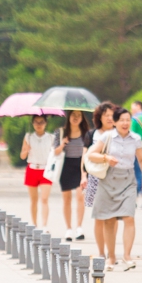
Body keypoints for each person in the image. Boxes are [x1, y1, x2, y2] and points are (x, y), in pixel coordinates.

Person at [86, 107, 140, 269]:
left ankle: (127, 256)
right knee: (108, 220)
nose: (125, 123)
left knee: (129, 217)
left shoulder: (136, 138)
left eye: (128, 120)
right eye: (121, 120)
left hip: (128, 180)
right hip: (109, 180)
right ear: (115, 122)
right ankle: (111, 257)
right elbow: (91, 154)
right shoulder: (107, 136)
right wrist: (106, 157)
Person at [83, 102, 117, 247]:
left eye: (112, 115)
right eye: (106, 115)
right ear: (99, 117)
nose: (110, 118)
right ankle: (101, 251)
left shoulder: (120, 134)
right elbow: (85, 157)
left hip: (115, 178)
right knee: (99, 217)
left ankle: (111, 251)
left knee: (113, 217)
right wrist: (83, 176)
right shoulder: (92, 134)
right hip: (96, 177)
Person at [54, 109, 91, 241]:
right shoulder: (61, 132)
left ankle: (79, 227)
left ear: (82, 118)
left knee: (80, 196)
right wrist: (63, 143)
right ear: (69, 117)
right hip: (65, 166)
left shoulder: (86, 133)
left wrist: (85, 172)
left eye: (79, 115)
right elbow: (55, 152)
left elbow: (90, 151)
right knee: (67, 199)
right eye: (73, 115)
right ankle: (68, 229)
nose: (76, 117)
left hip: (80, 166)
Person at [19, 114, 55, 226]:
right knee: (34, 200)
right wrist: (26, 150)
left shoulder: (51, 138)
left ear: (45, 123)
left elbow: (55, 154)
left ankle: (44, 225)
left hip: (46, 170)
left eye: (41, 122)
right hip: (32, 169)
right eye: (36, 122)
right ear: (33, 123)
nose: (39, 125)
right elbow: (22, 156)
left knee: (44, 199)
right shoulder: (28, 137)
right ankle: (34, 224)